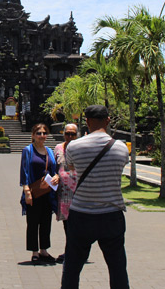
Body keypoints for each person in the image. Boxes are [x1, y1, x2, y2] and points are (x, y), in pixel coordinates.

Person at [61, 105, 130, 289]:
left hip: (81, 214)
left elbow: (73, 169)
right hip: (111, 214)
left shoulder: (74, 146)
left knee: (72, 267)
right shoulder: (121, 148)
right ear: (108, 120)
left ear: (86, 121)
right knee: (117, 268)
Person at [20, 123, 59, 264]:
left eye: (44, 133)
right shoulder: (28, 150)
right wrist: (26, 191)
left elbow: (55, 169)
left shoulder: (49, 151)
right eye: (39, 133)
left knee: (46, 222)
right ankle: (34, 251)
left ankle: (44, 250)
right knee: (32, 222)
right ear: (33, 135)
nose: (42, 136)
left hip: (47, 192)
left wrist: (57, 177)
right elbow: (24, 171)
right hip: (33, 191)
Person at [54, 123, 78, 263]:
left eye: (73, 134)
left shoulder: (82, 149)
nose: (70, 137)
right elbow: (55, 166)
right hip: (64, 192)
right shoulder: (58, 148)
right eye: (67, 134)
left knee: (78, 223)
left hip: (79, 191)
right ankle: (69, 250)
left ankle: (75, 251)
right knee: (67, 223)